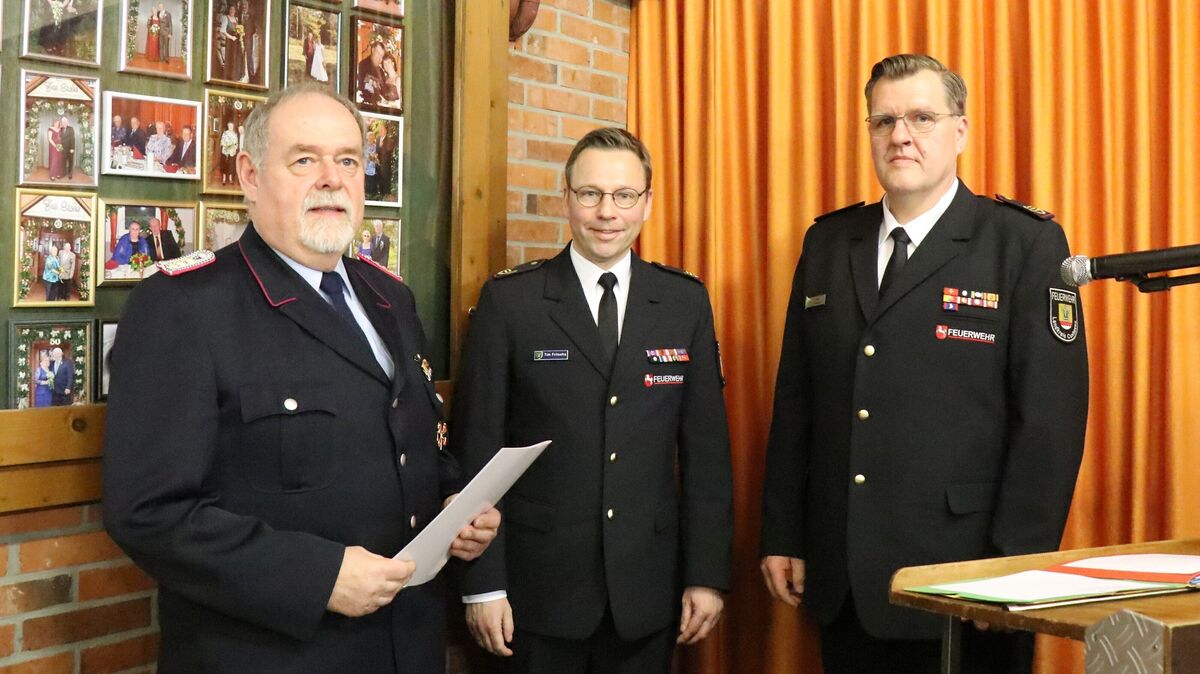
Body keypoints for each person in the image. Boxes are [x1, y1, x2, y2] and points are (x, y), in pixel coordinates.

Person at [102, 83, 501, 673]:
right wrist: (317, 578)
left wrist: (454, 508)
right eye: (304, 159)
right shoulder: (185, 307)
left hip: (404, 646)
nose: (332, 179)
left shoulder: (389, 297)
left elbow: (413, 443)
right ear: (250, 175)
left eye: (347, 160)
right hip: (273, 654)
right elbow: (149, 512)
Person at [759, 53, 1089, 674]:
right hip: (845, 575)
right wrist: (783, 532)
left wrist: (1009, 570)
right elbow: (796, 401)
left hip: (966, 581)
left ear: (959, 130)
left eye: (921, 117)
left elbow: (1050, 422)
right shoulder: (829, 242)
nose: (900, 136)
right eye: (883, 121)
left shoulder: (1022, 243)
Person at [452, 127, 733, 673]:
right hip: (537, 596)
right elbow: (478, 449)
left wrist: (706, 574)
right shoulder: (511, 301)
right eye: (590, 194)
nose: (607, 212)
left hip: (647, 593)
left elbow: (707, 455)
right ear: (567, 198)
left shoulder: (683, 301)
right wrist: (482, 587)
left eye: (624, 195)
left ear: (647, 203)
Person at [218, 3, 245, 83]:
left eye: (233, 9)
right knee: (230, 58)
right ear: (228, 10)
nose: (232, 11)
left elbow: (239, 30)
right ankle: (230, 76)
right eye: (231, 9)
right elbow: (222, 31)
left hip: (236, 42)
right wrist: (231, 37)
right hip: (230, 42)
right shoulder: (225, 18)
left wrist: (240, 34)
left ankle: (237, 75)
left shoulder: (236, 18)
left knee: (237, 58)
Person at [375, 122, 396, 199]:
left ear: (385, 131)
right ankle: (380, 195)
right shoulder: (377, 139)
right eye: (380, 129)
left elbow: (388, 151)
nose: (380, 131)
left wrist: (382, 146)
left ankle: (386, 196)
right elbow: (375, 150)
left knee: (385, 182)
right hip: (377, 165)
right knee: (379, 182)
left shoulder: (390, 141)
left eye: (382, 129)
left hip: (385, 166)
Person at [219, 121, 239, 186]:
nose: (230, 127)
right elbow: (222, 142)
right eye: (229, 126)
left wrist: (234, 149)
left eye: (231, 126)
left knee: (231, 166)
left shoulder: (235, 134)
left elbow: (236, 143)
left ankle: (230, 179)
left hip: (231, 152)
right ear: (228, 126)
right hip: (225, 152)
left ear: (233, 127)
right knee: (224, 165)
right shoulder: (225, 133)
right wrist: (226, 146)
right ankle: (224, 179)